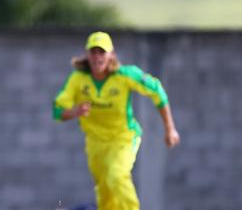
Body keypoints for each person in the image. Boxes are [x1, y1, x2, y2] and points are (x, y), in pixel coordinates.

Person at [53, 31, 180, 210]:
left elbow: (156, 91)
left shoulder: (124, 75)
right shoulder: (78, 80)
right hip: (95, 143)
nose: (97, 57)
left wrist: (170, 129)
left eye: (102, 52)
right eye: (93, 52)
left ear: (111, 55)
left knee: (117, 175)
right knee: (105, 192)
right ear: (87, 55)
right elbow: (57, 111)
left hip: (123, 138)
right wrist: (74, 111)